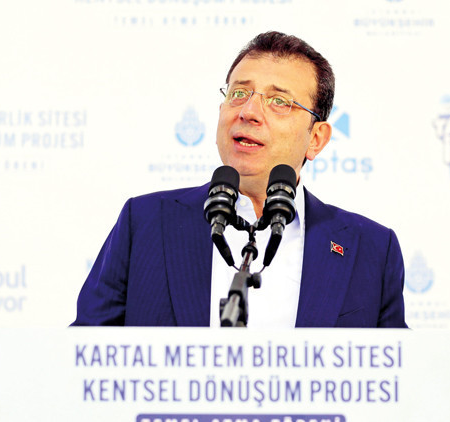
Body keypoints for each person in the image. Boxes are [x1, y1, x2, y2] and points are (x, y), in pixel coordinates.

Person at [72, 31, 407, 328]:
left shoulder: (372, 250)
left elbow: (400, 371)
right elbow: (83, 356)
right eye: (239, 93)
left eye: (279, 101)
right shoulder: (145, 223)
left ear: (316, 138)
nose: (248, 112)